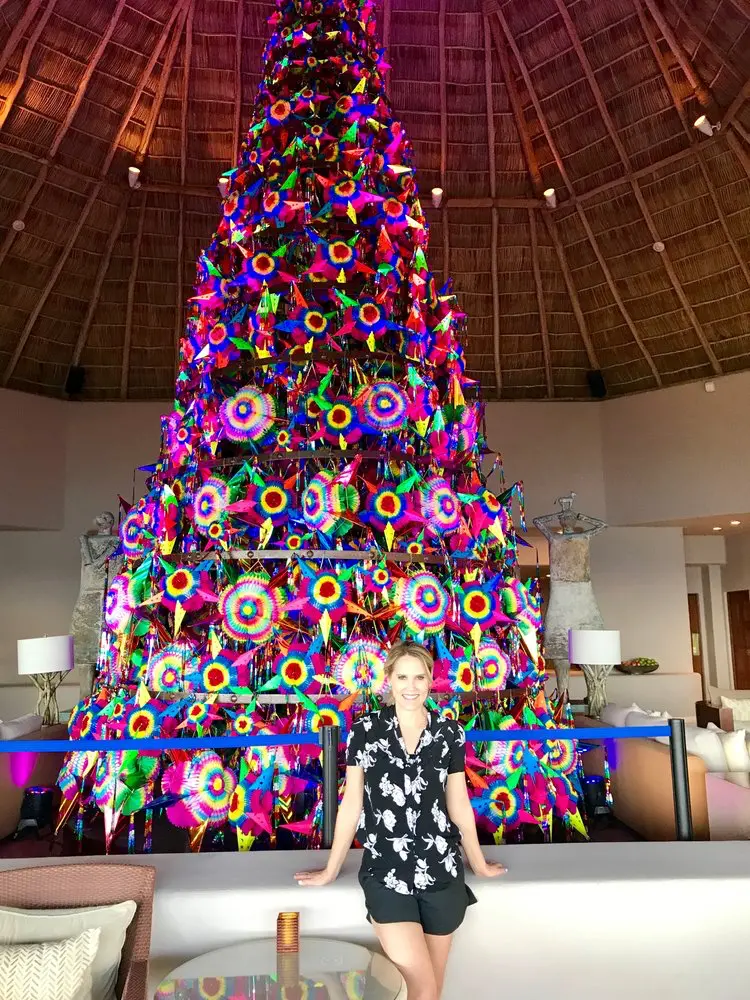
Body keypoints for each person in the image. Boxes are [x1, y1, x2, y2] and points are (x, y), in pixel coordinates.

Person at [295, 640, 506, 1000]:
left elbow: (458, 805)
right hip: (387, 873)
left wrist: (479, 863)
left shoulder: (449, 733)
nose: (411, 686)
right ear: (389, 679)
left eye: (419, 677)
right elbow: (352, 804)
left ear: (430, 680)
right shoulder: (365, 731)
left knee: (430, 992)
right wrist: (331, 869)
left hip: (441, 873)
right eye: (403, 677)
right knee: (421, 989)